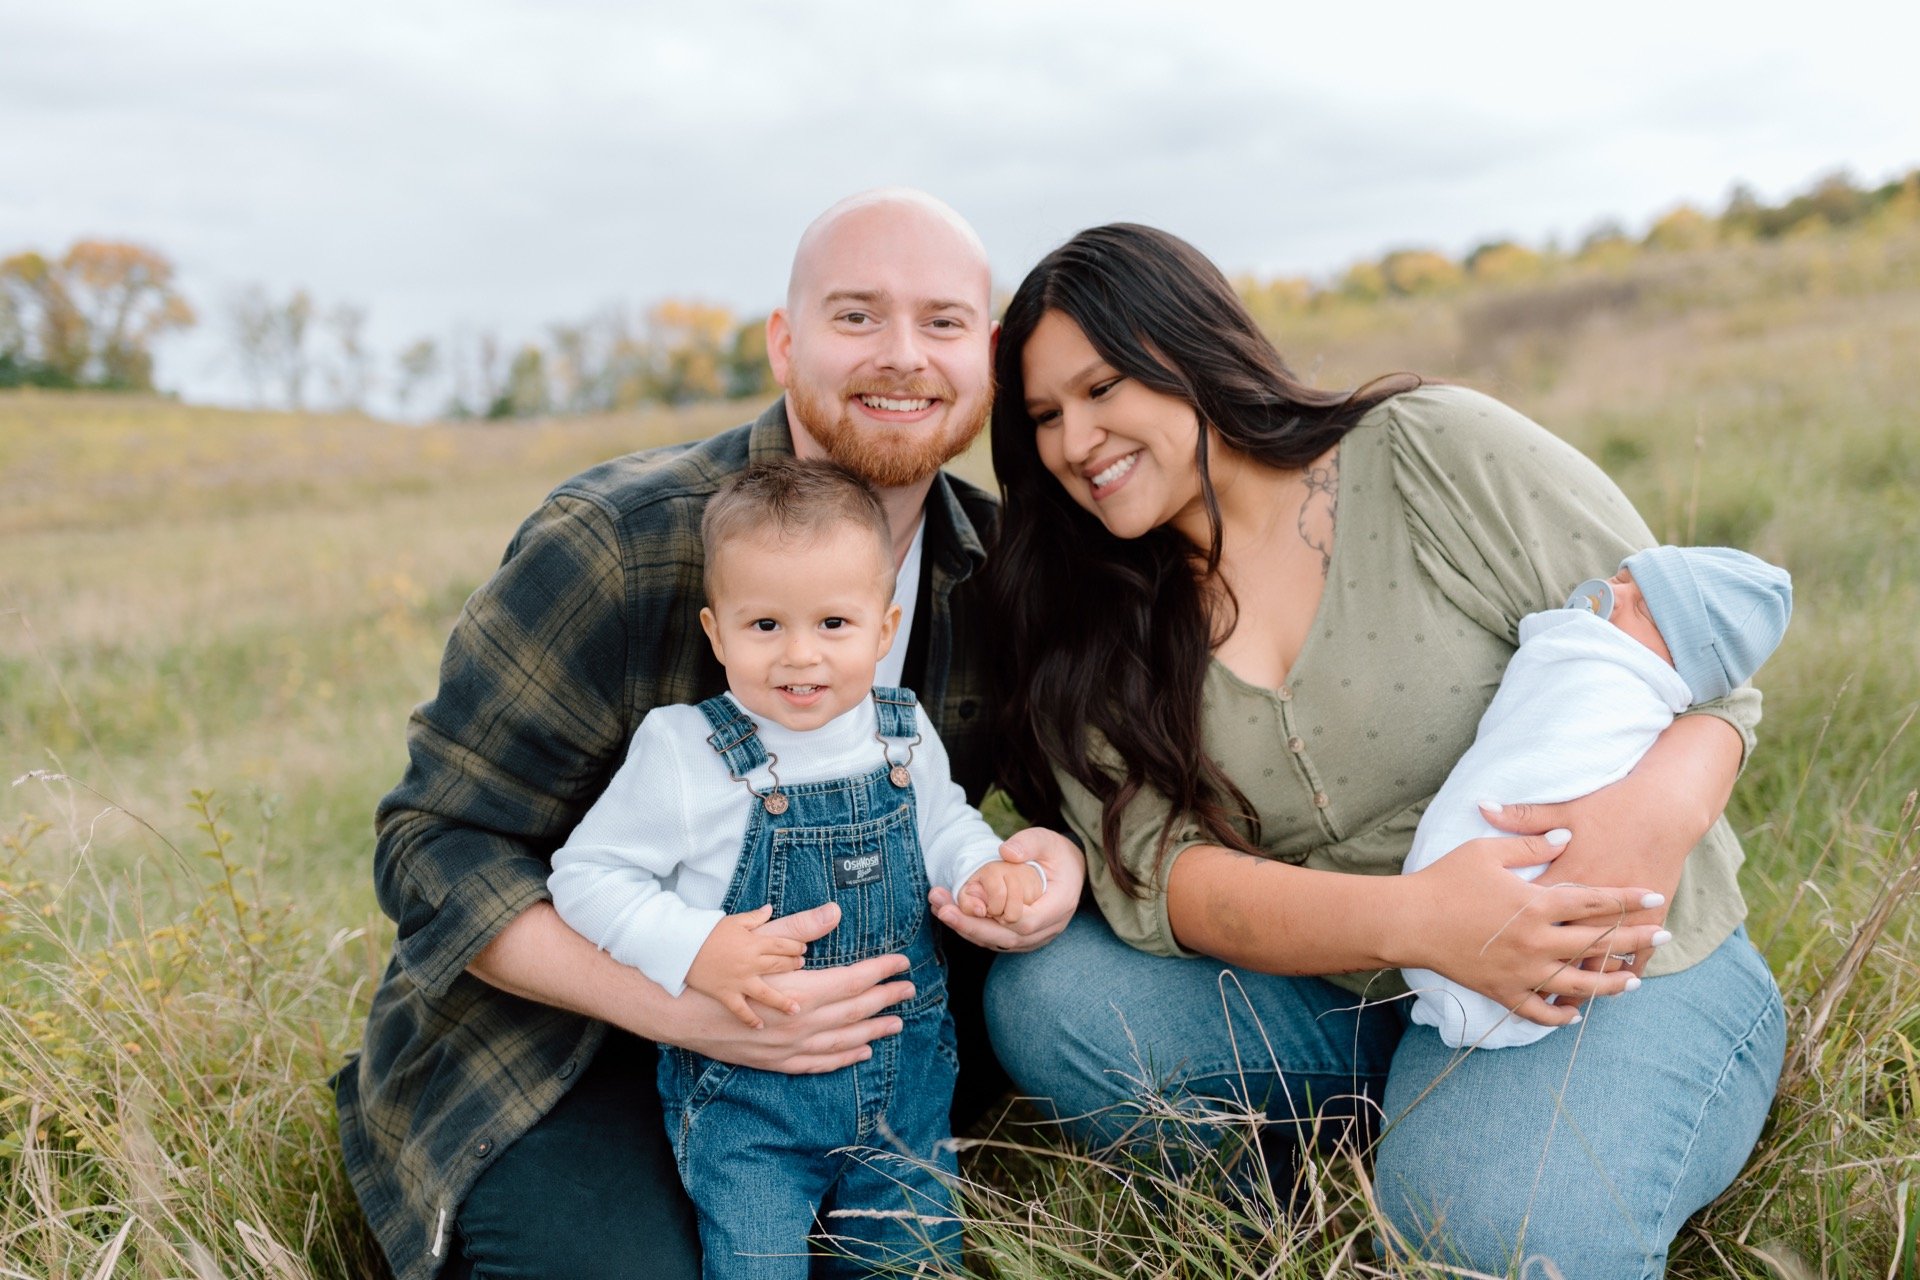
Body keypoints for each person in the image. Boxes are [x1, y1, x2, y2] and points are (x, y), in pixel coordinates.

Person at [981, 223, 1785, 1276]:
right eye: (1044, 415)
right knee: (1054, 1000)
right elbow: (1166, 878)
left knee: (1490, 1238)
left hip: (1598, 962)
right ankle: (1365, 1166)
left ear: (1184, 344)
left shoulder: (1429, 450)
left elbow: (1695, 662)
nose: (1075, 440)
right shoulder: (1092, 614)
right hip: (1358, 991)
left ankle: (1483, 1150)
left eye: (1102, 388)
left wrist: (1654, 818)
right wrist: (1423, 921)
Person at [333, 189, 1087, 1280]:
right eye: (856, 316)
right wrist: (691, 1005)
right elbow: (435, 847)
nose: (902, 356)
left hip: (852, 1056)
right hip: (570, 1034)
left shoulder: (1009, 569)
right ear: (786, 342)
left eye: (943, 322)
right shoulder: (618, 543)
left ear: (991, 355)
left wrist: (1041, 865)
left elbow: (1065, 806)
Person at [546, 458, 1053, 1276]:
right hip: (749, 1115)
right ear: (717, 632)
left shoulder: (899, 731)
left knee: (914, 1263)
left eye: (833, 625)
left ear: (883, 631)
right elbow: (586, 876)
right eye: (766, 626)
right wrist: (697, 948)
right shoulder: (687, 751)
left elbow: (944, 821)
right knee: (754, 1262)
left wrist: (981, 868)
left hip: (905, 1097)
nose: (800, 658)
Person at [1401, 546, 1791, 1048]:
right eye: (1619, 578)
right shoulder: (1572, 649)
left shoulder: (1627, 682)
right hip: (1417, 915)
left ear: (1684, 661)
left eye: (1645, 608)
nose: (1614, 595)